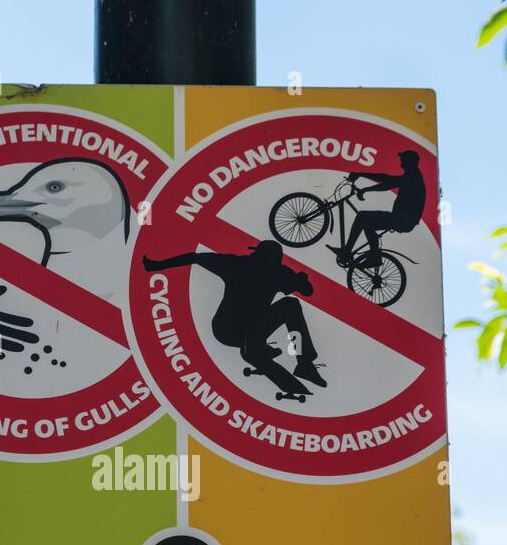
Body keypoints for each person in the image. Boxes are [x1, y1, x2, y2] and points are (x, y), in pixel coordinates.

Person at [143, 240, 326, 390]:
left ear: (257, 254)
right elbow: (307, 291)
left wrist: (157, 266)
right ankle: (301, 360)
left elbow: (194, 258)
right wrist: (301, 280)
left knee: (288, 306)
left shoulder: (236, 264)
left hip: (228, 330)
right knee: (291, 305)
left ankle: (291, 359)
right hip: (239, 331)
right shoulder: (278, 272)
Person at [332, 150, 426, 266]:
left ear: (409, 161)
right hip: (403, 219)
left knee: (362, 216)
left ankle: (348, 252)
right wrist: (366, 189)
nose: (400, 161)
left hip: (402, 220)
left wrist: (362, 177)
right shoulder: (412, 175)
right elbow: (388, 183)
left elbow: (387, 181)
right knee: (368, 223)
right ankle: (374, 255)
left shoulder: (412, 176)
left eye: (403, 159)